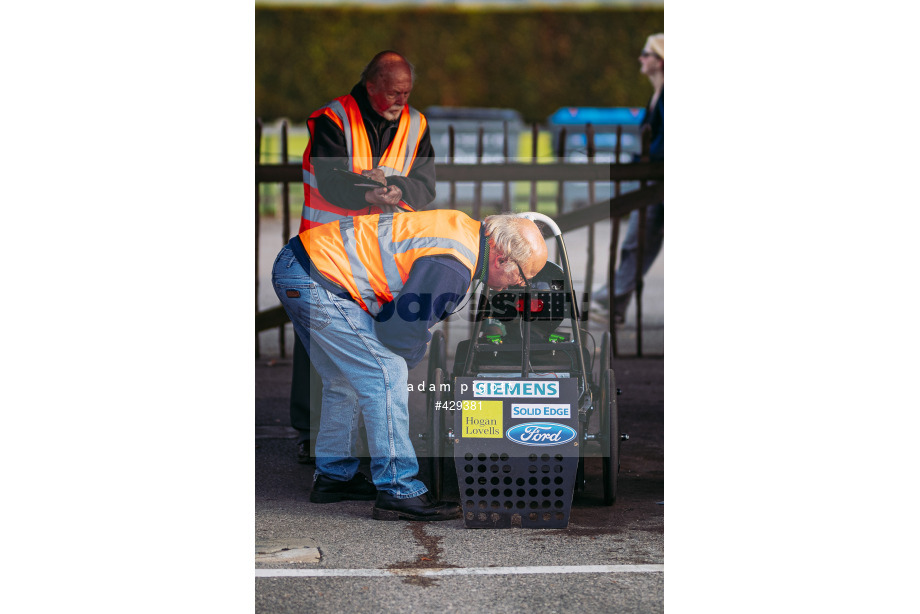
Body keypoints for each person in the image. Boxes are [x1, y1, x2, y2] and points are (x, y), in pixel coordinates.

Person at [272, 210, 548, 521]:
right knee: (387, 373)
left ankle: (334, 478)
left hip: (302, 265)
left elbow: (399, 321)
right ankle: (398, 489)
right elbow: (398, 334)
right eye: (523, 277)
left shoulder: (464, 232)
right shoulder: (453, 266)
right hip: (318, 277)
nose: (518, 285)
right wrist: (416, 350)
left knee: (344, 378)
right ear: (501, 259)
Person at [290, 50, 437, 464]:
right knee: (318, 339)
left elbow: (426, 185)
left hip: (381, 253)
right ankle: (310, 432)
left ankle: (363, 437)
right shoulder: (333, 119)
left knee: (372, 342)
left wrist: (397, 186)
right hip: (327, 249)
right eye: (393, 93)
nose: (401, 102)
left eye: (407, 93)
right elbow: (330, 178)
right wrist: (368, 191)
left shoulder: (417, 124)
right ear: (370, 85)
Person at [594, 33, 664, 324]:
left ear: (661, 60)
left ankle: (612, 300)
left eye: (646, 53)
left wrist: (643, 162)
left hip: (659, 179)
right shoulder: (658, 93)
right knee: (640, 241)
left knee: (639, 240)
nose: (641, 58)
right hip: (653, 177)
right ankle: (613, 302)